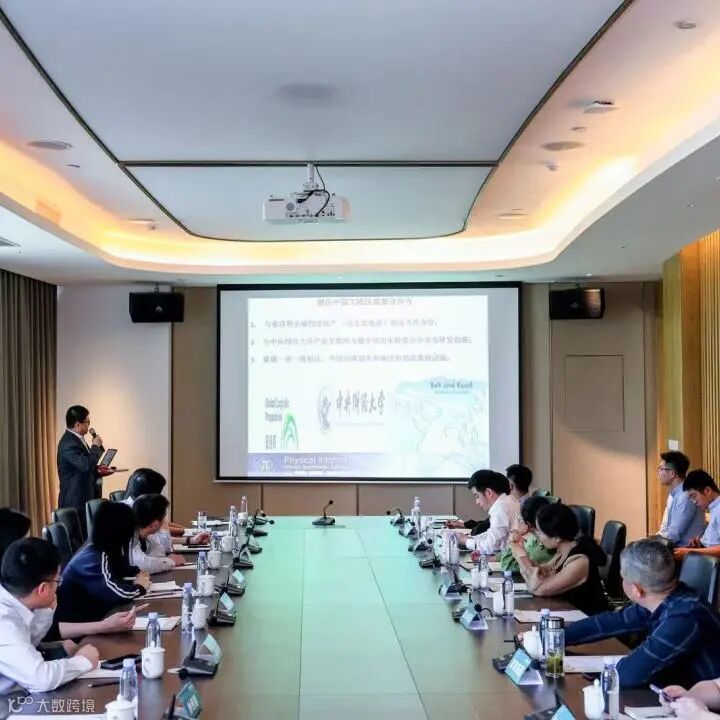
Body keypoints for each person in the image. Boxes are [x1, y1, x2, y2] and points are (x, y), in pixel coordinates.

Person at [562, 539, 720, 687]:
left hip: (702, 703)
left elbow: (628, 674)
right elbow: (610, 622)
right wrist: (558, 637)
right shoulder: (663, 598)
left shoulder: (684, 617)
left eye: (623, 577)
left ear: (636, 590)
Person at [0, 507, 135, 642]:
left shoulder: (26, 588)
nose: (32, 546)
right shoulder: (8, 610)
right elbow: (34, 648)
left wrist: (104, 626)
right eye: (26, 542)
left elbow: (48, 631)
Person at [0, 538, 100, 694]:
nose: (58, 586)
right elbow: (41, 678)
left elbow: (29, 642)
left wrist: (47, 609)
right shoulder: (5, 622)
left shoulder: (15, 600)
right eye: (57, 580)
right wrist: (83, 661)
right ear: (43, 589)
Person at [56, 502, 150, 624]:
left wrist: (138, 573)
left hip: (95, 615)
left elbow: (119, 571)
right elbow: (115, 593)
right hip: (79, 623)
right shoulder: (92, 557)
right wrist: (140, 587)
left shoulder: (106, 548)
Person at [511, 502, 609, 615]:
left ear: (557, 537)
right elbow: (543, 573)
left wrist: (522, 556)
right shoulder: (563, 549)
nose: (537, 535)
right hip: (567, 613)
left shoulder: (579, 561)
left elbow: (538, 589)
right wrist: (521, 553)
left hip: (589, 620)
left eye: (540, 531)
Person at [57, 405, 113, 533]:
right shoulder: (68, 443)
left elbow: (87, 463)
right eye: (87, 422)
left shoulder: (78, 439)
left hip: (86, 495)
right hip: (75, 500)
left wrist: (99, 469)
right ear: (77, 424)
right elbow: (86, 465)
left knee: (88, 533)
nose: (89, 425)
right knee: (79, 537)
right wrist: (95, 446)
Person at [452, 470, 519, 555]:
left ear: (488, 493)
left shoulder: (500, 508)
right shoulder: (509, 500)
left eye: (477, 496)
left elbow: (490, 547)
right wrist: (471, 538)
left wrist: (465, 541)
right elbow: (491, 534)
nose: (477, 502)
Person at [656, 451, 706, 548]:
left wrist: (650, 542)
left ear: (672, 474)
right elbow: (665, 528)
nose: (658, 472)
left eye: (661, 469)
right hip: (673, 547)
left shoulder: (685, 496)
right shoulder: (673, 495)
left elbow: (674, 535)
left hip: (686, 552)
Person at [498, 496, 555, 572]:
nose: (518, 521)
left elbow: (507, 567)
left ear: (528, 524)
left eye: (519, 517)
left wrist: (513, 541)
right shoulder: (533, 539)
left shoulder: (544, 549)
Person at [131, 494, 185, 573]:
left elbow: (159, 552)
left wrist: (163, 561)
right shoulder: (129, 536)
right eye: (164, 518)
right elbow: (143, 565)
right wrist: (171, 561)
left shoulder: (147, 536)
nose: (164, 522)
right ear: (155, 524)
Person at [674, 470, 720, 559]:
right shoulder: (714, 508)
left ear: (707, 491)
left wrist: (690, 552)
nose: (694, 502)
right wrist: (701, 542)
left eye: (694, 496)